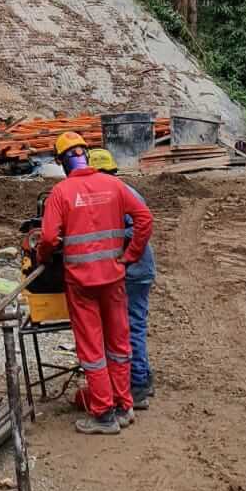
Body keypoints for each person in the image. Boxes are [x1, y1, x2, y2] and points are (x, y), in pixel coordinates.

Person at [38, 131, 152, 436]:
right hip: (114, 278)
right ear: (87, 155)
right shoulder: (113, 184)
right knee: (118, 344)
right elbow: (144, 218)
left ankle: (103, 413)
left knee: (92, 348)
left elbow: (48, 238)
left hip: (81, 282)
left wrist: (43, 256)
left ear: (63, 162)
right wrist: (129, 256)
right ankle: (124, 405)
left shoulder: (60, 193)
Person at [90, 149, 156, 409]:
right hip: (137, 269)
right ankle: (143, 377)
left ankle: (137, 384)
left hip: (133, 271)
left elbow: (138, 226)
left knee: (130, 326)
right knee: (134, 324)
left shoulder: (113, 193)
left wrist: (126, 257)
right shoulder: (122, 189)